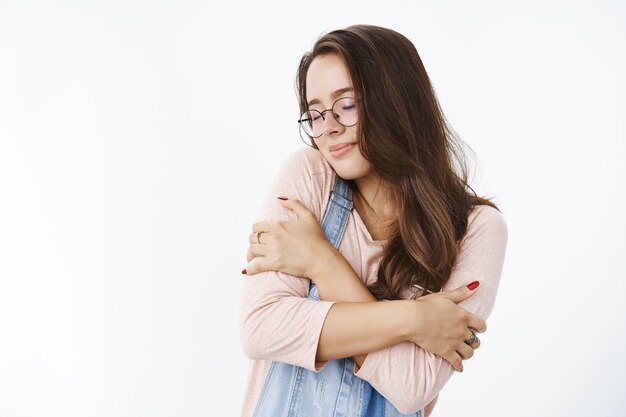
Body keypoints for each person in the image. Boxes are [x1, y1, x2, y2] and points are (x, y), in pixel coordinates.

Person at [239, 24, 508, 417]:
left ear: (397, 101)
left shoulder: (477, 229)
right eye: (314, 113)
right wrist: (416, 318)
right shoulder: (310, 177)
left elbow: (411, 386)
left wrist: (322, 262)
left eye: (346, 105)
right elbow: (260, 328)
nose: (327, 127)